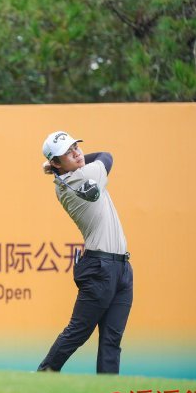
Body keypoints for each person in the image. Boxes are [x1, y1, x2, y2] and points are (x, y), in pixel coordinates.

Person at [37, 130, 133, 374]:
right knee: (79, 331)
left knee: (112, 340)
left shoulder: (70, 176)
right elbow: (106, 156)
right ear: (56, 163)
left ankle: (107, 390)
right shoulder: (82, 177)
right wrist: (56, 168)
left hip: (122, 268)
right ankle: (44, 373)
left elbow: (95, 158)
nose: (77, 154)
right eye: (67, 153)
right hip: (100, 269)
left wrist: (55, 167)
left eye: (75, 148)